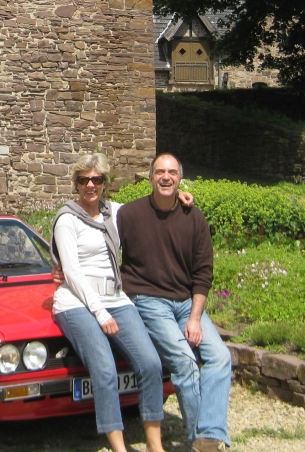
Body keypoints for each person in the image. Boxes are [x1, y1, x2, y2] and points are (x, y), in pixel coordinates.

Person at [50, 153, 168, 452]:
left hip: (115, 296)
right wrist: (101, 314)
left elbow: (149, 210)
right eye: (84, 180)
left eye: (97, 179)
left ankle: (155, 445)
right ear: (75, 183)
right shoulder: (66, 219)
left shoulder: (113, 212)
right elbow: (73, 274)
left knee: (151, 363)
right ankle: (120, 448)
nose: (90, 185)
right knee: (104, 370)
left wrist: (179, 196)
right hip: (76, 301)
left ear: (105, 182)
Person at [117, 153, 231, 452]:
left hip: (185, 303)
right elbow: (92, 226)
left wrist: (194, 318)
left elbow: (204, 272)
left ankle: (208, 434)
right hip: (149, 300)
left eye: (171, 172)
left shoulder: (194, 217)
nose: (165, 177)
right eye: (159, 172)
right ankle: (204, 442)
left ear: (180, 178)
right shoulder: (128, 214)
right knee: (184, 362)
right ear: (151, 177)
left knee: (220, 357)